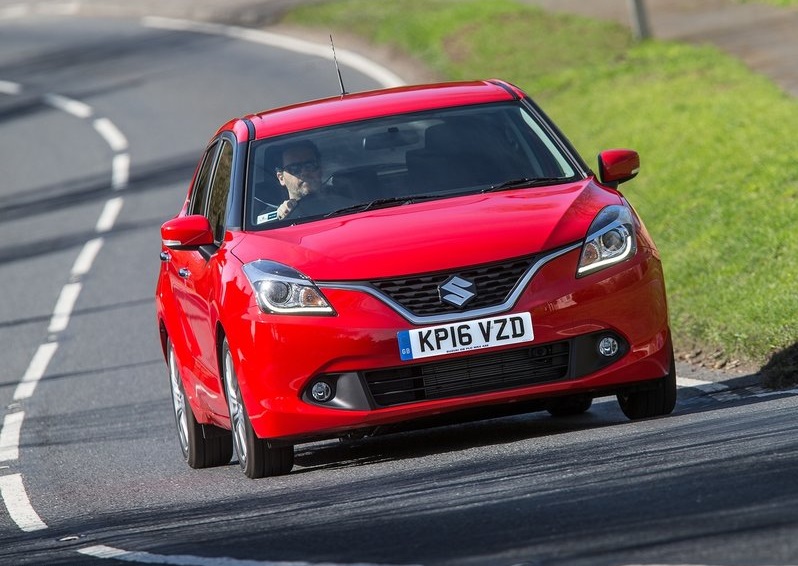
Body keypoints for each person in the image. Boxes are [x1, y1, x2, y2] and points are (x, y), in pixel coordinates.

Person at [274, 140, 324, 220]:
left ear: (320, 170)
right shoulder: (273, 220)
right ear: (281, 178)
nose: (304, 173)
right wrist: (281, 220)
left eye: (310, 165)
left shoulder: (344, 203)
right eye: (294, 169)